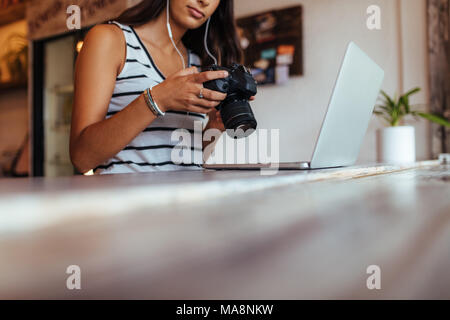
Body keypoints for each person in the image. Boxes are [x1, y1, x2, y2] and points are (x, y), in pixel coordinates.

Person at [70, 0, 252, 174]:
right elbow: (82, 158)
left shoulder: (196, 62)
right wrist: (158, 99)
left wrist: (214, 127)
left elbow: (190, 159)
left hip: (188, 200)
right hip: (126, 201)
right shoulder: (110, 39)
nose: (204, 1)